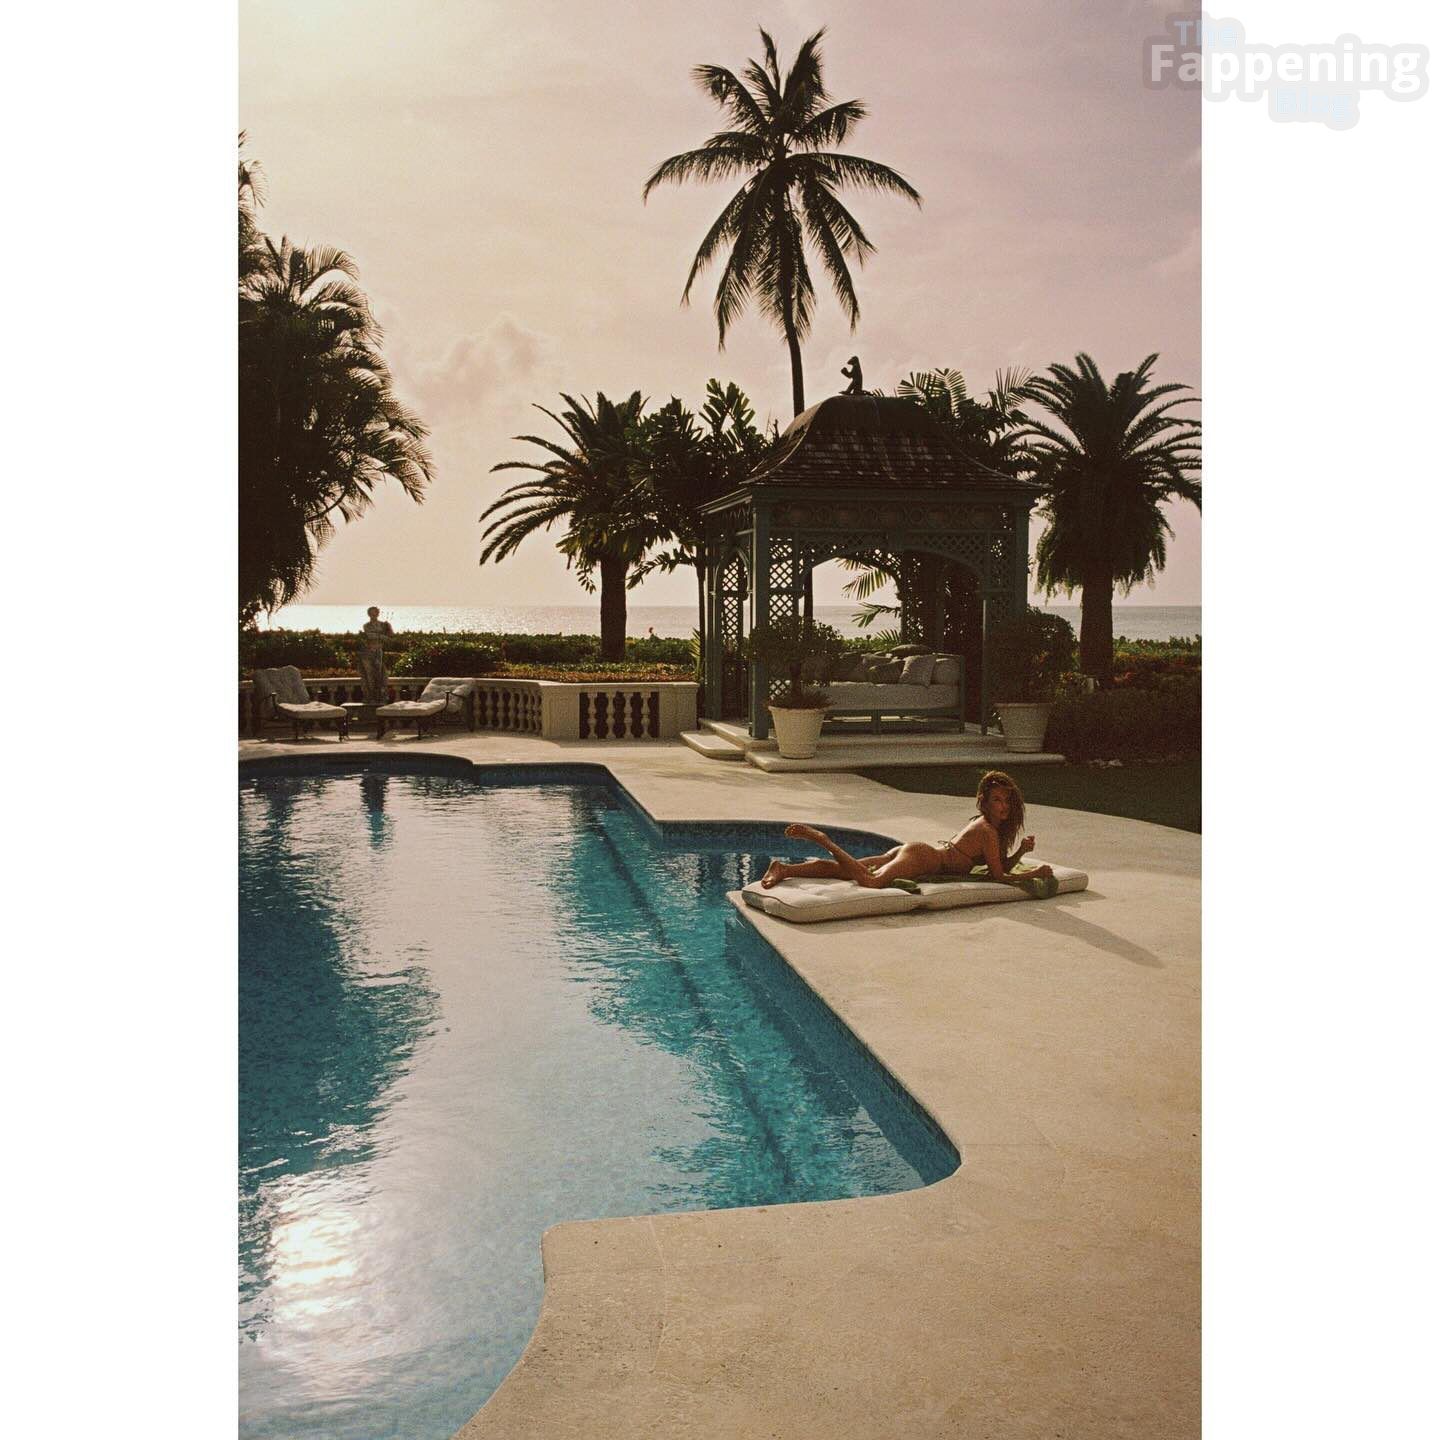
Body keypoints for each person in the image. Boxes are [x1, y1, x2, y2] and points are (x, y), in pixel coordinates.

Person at [759, 769, 1053, 890]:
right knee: (870, 881)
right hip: (922, 858)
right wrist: (1034, 873)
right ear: (984, 803)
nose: (1004, 806)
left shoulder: (988, 830)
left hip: (919, 852)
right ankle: (822, 839)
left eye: (1007, 801)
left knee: (845, 871)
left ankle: (784, 869)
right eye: (997, 800)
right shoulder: (987, 830)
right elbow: (999, 877)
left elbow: (997, 867)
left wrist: (1020, 852)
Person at [357, 606, 394, 706]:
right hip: (367, 652)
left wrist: (385, 632)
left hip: (378, 652)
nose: (373, 615)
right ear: (368, 614)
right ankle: (370, 696)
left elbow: (390, 638)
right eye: (371, 613)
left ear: (378, 613)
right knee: (369, 675)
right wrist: (380, 636)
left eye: (375, 613)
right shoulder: (366, 625)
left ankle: (379, 696)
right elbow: (369, 636)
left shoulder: (384, 625)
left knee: (380, 674)